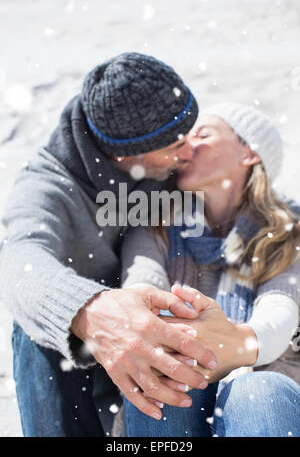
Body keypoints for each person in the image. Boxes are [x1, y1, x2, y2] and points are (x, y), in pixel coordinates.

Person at [0, 52, 220, 437]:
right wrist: (91, 312)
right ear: (123, 154)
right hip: (84, 371)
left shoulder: (166, 170)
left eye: (190, 135)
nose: (188, 153)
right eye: (173, 144)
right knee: (35, 326)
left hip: (170, 349)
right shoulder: (45, 188)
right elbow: (19, 259)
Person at [121, 102, 300, 437]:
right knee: (171, 377)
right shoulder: (154, 224)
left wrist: (234, 344)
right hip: (176, 400)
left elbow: (280, 314)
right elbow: (139, 293)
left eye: (202, 134)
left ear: (249, 153)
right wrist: (189, 343)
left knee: (258, 391)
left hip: (267, 407)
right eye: (182, 139)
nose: (186, 147)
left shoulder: (289, 232)